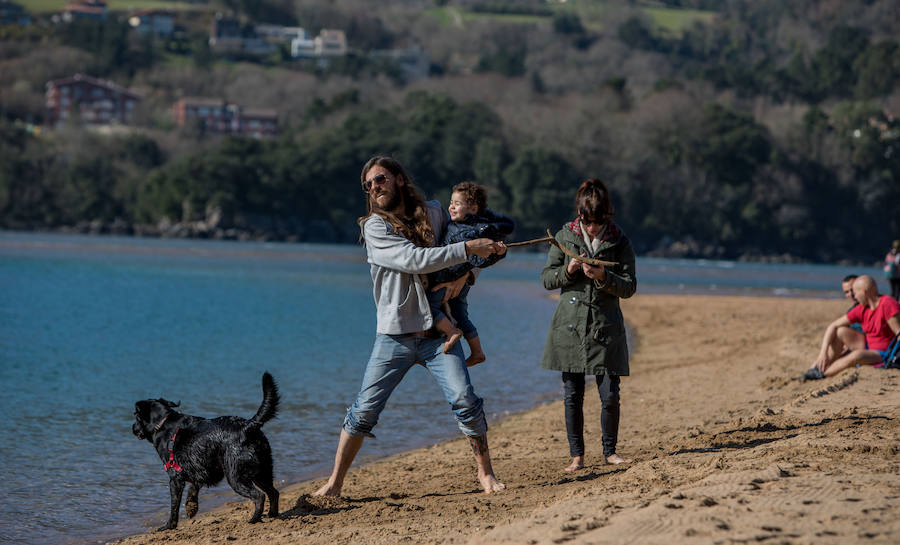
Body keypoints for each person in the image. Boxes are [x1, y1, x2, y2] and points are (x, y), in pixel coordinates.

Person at [313, 156, 506, 497]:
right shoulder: (374, 227)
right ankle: (334, 484)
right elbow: (413, 260)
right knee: (363, 411)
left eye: (380, 179)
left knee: (465, 398)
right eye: (369, 185)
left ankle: (486, 474)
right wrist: (466, 251)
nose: (374, 187)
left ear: (399, 179)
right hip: (395, 336)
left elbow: (471, 240)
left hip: (439, 334)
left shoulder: (434, 212)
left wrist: (468, 274)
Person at [540, 178, 636, 472]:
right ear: (579, 215)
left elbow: (630, 287)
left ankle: (610, 452)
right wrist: (567, 272)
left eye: (598, 221)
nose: (592, 228)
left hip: (605, 328)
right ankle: (577, 457)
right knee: (572, 395)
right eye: (587, 221)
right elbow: (547, 279)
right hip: (569, 327)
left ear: (608, 216)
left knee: (610, 395)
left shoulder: (620, 241)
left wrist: (604, 278)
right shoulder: (563, 237)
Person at [426, 181, 515, 365]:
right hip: (462, 282)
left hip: (447, 280)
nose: (451, 206)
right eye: (451, 202)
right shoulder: (461, 225)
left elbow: (479, 260)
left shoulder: (469, 232)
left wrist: (498, 253)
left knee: (426, 308)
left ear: (473, 209)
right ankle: (478, 352)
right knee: (460, 314)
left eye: (457, 204)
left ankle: (452, 332)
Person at [803, 275, 900, 380]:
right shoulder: (861, 308)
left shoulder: (887, 304)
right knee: (840, 331)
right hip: (868, 346)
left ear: (864, 292)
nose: (854, 297)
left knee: (856, 355)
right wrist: (823, 353)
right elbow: (833, 325)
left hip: (884, 353)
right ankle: (816, 368)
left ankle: (822, 374)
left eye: (855, 293)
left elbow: (899, 333)